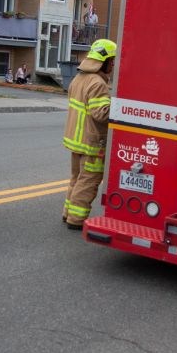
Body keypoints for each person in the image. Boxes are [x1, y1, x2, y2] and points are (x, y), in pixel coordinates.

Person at [62, 39, 116, 231]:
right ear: (105, 62)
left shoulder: (79, 78)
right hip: (91, 143)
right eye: (112, 61)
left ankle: (68, 212)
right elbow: (101, 114)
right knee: (88, 181)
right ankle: (76, 219)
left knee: (76, 178)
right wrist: (119, 106)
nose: (113, 65)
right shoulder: (97, 83)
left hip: (76, 141)